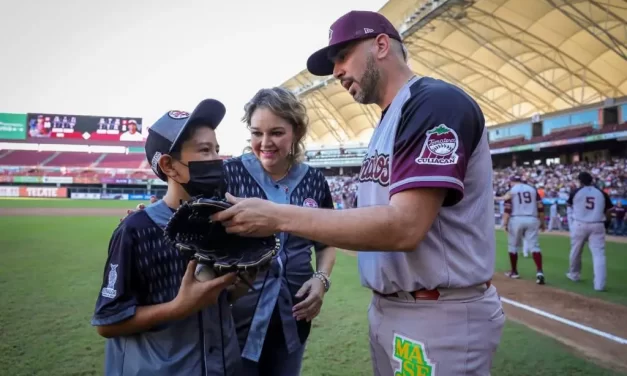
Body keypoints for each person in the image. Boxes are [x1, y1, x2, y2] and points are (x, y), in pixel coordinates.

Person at [211, 10, 505, 376]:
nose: (336, 71)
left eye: (343, 56)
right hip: (394, 307)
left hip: (436, 312)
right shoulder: (390, 120)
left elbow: (405, 227)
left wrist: (276, 216)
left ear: (381, 45)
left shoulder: (434, 102)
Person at [122, 88, 337, 376]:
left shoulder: (314, 180)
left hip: (295, 314)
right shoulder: (228, 173)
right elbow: (185, 204)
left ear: (296, 131)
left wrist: (321, 279)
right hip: (239, 314)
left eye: (276, 132)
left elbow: (326, 242)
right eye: (256, 133)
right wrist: (150, 212)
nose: (265, 143)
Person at [91, 99, 245, 376]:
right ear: (169, 166)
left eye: (217, 150)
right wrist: (178, 308)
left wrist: (245, 281)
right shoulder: (136, 230)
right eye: (204, 150)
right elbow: (108, 322)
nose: (216, 160)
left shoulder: (223, 220)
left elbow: (218, 299)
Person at [566, 171, 613, 291]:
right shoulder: (601, 193)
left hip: (580, 224)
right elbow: (608, 212)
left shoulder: (576, 192)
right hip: (598, 224)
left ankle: (574, 275)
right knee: (599, 255)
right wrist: (606, 223)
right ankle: (599, 285)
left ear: (580, 181)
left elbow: (570, 206)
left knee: (576, 251)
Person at [497, 176, 546, 284]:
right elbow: (541, 208)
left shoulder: (512, 191)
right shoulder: (532, 189)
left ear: (513, 182)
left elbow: (507, 208)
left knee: (513, 246)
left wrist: (504, 223)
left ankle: (514, 271)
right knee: (535, 246)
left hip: (516, 219)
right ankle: (539, 272)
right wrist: (542, 223)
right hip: (532, 219)